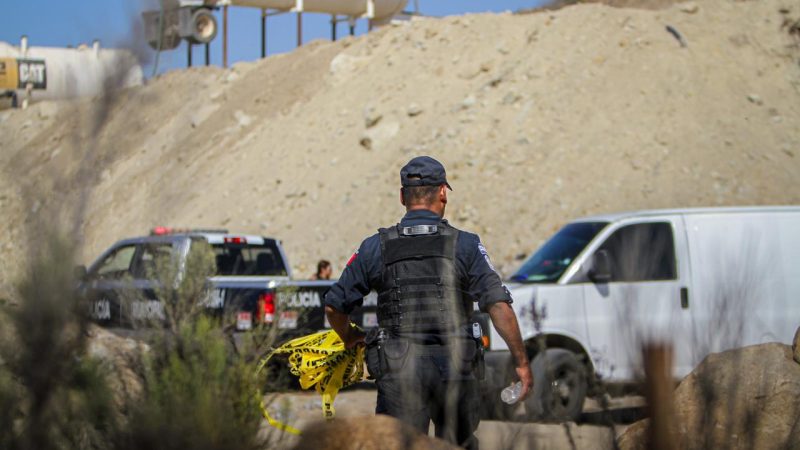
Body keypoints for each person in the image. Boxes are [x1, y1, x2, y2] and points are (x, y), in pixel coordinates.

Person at [324, 156, 533, 449]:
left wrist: (350, 336)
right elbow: (498, 305)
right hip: (455, 367)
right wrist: (522, 362)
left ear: (402, 197)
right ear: (443, 192)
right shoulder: (466, 245)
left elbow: (334, 306)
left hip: (398, 369)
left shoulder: (376, 247)